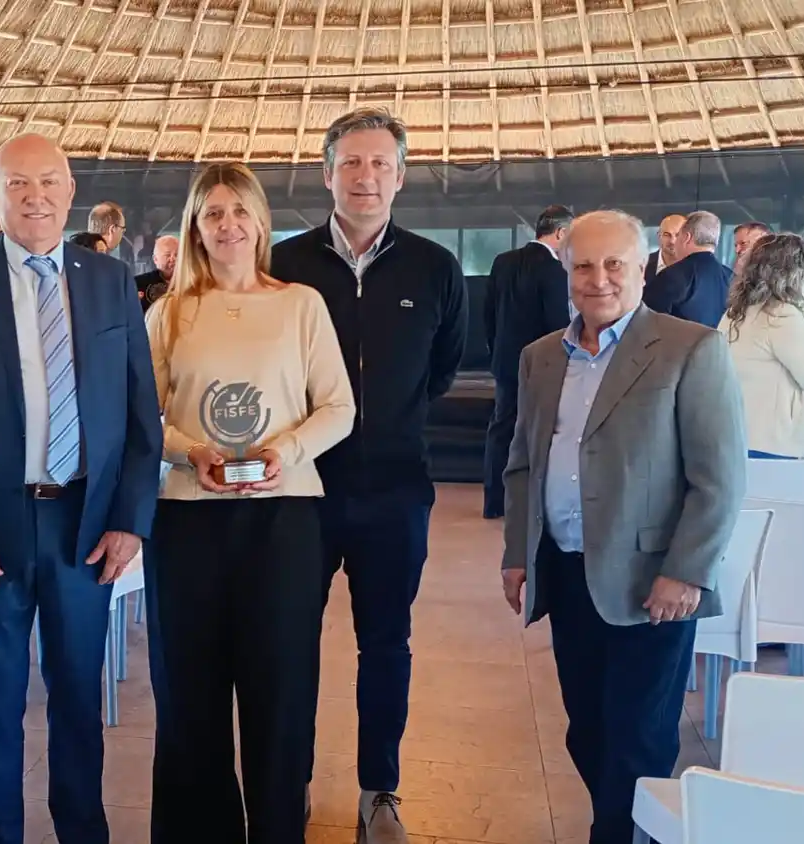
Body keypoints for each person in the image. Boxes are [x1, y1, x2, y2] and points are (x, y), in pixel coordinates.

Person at [0, 133, 162, 844]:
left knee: (80, 702)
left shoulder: (111, 281)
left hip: (85, 524)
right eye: (19, 183)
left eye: (49, 181)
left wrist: (129, 520)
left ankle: (84, 832)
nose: (36, 196)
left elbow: (142, 412)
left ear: (71, 190)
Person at [502, 209, 745, 844]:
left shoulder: (691, 349)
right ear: (565, 271)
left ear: (642, 269)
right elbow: (524, 463)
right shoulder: (540, 359)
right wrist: (517, 553)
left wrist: (686, 570)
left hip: (652, 584)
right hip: (566, 570)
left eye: (615, 264)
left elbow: (719, 479)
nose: (599, 279)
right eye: (583, 265)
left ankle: (616, 834)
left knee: (640, 736)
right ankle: (616, 822)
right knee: (587, 727)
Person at [270, 107, 467, 840]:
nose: (366, 177)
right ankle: (284, 778)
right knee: (290, 641)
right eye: (351, 163)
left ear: (401, 176)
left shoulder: (435, 268)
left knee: (386, 643)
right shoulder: (283, 265)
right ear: (327, 174)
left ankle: (379, 790)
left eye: (381, 163)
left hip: (394, 491)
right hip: (299, 491)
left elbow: (440, 370)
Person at [145, 162, 354, 843]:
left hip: (282, 520)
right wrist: (188, 449)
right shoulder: (167, 313)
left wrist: (284, 452)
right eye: (213, 214)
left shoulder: (301, 305)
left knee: (281, 692)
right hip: (186, 521)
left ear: (261, 221)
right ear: (196, 227)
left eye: (239, 211)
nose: (228, 225)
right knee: (189, 699)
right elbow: (142, 416)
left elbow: (339, 408)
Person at [719, 233, 804, 458]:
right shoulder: (781, 315)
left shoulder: (734, 313)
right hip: (779, 444)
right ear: (796, 272)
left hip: (739, 435)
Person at [482, 205, 574, 518]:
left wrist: (497, 351)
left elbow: (488, 315)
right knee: (540, 431)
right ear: (561, 233)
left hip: (504, 361)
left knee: (501, 428)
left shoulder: (502, 262)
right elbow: (558, 324)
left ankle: (494, 501)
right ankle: (532, 504)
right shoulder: (556, 270)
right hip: (542, 366)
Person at [643, 210, 734, 328]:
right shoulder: (731, 278)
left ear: (686, 237)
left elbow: (647, 323)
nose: (674, 242)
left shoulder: (671, 276)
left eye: (678, 235)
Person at [134, 234, 178, 312]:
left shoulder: (193, 282)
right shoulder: (137, 284)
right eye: (167, 255)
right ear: (155, 259)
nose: (173, 259)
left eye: (177, 254)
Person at [645, 214, 685, 282]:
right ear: (659, 236)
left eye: (678, 235)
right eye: (666, 235)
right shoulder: (643, 264)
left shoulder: (697, 267)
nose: (672, 241)